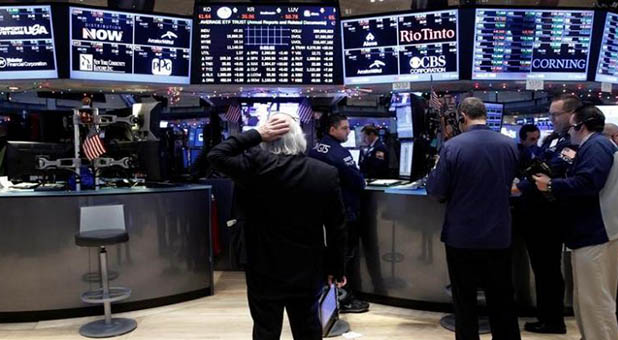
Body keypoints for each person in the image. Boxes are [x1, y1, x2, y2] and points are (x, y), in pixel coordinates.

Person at [207, 112, 347, 340]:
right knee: (308, 327)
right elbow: (336, 228)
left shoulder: (252, 167)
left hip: (263, 266)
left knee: (265, 329)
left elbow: (216, 154)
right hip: (308, 267)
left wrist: (255, 134)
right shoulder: (325, 173)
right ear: (300, 138)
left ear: (266, 138)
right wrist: (336, 268)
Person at [426, 97, 521, 340]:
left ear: (463, 117)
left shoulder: (453, 147)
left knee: (464, 301)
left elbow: (437, 191)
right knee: (502, 300)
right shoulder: (509, 144)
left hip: (462, 237)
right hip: (499, 235)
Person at [533, 105, 618, 340]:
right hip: (590, 234)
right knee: (587, 300)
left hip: (596, 234)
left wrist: (551, 185)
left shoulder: (596, 146)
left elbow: (587, 183)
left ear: (581, 126)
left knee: (596, 301)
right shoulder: (595, 145)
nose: (569, 132)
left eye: (571, 126)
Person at [513, 94, 582, 334]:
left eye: (556, 114)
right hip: (535, 213)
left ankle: (553, 320)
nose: (551, 118)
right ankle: (546, 316)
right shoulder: (553, 138)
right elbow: (539, 163)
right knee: (542, 269)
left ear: (572, 115)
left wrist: (524, 183)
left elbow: (553, 169)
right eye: (550, 114)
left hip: (549, 216)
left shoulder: (572, 143)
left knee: (549, 270)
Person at [309, 114, 369, 313]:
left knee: (327, 257)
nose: (348, 131)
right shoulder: (339, 154)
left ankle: (327, 296)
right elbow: (358, 182)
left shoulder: (315, 149)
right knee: (345, 257)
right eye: (344, 128)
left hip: (319, 213)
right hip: (344, 212)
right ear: (332, 129)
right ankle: (345, 299)